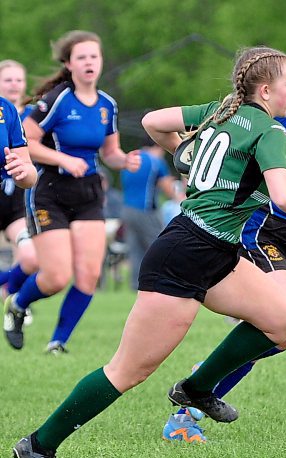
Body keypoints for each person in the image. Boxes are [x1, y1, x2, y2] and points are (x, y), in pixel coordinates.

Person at [12, 45, 286, 458]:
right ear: (267, 90)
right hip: (186, 255)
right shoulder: (267, 130)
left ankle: (195, 388)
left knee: (285, 322)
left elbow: (154, 122)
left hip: (217, 251)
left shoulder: (222, 111)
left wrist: (184, 156)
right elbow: (285, 196)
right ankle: (39, 444)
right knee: (128, 370)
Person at [163, 41, 286, 442]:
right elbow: (212, 145)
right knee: (278, 323)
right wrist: (191, 161)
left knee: (280, 335)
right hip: (260, 228)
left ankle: (199, 385)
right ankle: (189, 406)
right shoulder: (274, 117)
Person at [3, 31, 140, 354]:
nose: (89, 62)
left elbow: (110, 152)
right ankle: (18, 304)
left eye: (94, 56)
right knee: (55, 276)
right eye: (82, 57)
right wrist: (64, 158)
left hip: (88, 192)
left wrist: (125, 160)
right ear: (68, 63)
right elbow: (28, 143)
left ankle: (58, 342)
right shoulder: (57, 100)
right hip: (50, 190)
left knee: (89, 274)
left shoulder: (108, 105)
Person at [0, 60, 38, 333]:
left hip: (13, 203)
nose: (14, 85)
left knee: (31, 257)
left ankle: (11, 296)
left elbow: (30, 174)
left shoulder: (8, 111)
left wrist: (21, 170)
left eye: (18, 80)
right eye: (8, 79)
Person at [121, 141, 183, 290]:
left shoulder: (132, 157)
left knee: (135, 248)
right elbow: (166, 185)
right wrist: (181, 199)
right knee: (157, 246)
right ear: (158, 146)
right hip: (145, 210)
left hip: (127, 209)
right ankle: (161, 280)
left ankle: (135, 284)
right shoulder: (155, 161)